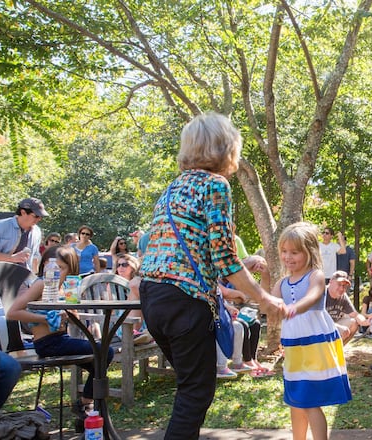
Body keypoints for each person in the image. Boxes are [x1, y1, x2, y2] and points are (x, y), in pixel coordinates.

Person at [138, 112, 285, 439]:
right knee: (196, 392)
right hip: (183, 301)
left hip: (152, 298)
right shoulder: (215, 185)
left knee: (191, 386)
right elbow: (225, 259)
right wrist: (264, 298)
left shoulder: (172, 187)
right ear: (226, 148)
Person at [7, 246, 114, 426]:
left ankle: (88, 410)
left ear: (71, 269)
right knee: (105, 352)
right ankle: (85, 405)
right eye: (51, 267)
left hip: (61, 340)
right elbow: (13, 313)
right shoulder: (42, 284)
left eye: (61, 268)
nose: (55, 272)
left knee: (101, 356)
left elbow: (73, 319)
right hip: (46, 343)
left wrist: (70, 314)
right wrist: (45, 319)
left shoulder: (65, 288)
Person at [272, 222, 351, 440]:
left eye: (294, 252)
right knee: (296, 400)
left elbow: (314, 296)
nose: (288, 256)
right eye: (284, 251)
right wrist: (265, 278)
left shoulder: (314, 275)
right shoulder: (282, 283)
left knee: (310, 400)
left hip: (314, 344)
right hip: (295, 346)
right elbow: (268, 306)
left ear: (309, 252)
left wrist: (294, 308)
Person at [0, 198, 47, 277]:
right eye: (36, 216)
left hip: (23, 280)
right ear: (23, 212)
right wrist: (12, 258)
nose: (39, 219)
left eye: (41, 217)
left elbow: (34, 257)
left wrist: (34, 278)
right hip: (0, 278)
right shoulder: (0, 227)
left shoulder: (37, 231)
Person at [113, 253, 152, 344]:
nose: (120, 268)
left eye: (124, 265)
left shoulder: (141, 282)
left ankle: (139, 334)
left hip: (143, 320)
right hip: (122, 323)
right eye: (118, 265)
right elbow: (112, 311)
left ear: (133, 266)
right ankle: (136, 334)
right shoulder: (112, 285)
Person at [325, 270, 370, 344]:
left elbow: (355, 314)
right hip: (318, 327)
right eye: (339, 284)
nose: (341, 288)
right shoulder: (321, 294)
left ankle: (337, 350)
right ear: (331, 282)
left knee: (354, 323)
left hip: (333, 325)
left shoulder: (343, 296)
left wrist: (365, 322)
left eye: (344, 286)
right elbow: (317, 319)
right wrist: (338, 327)